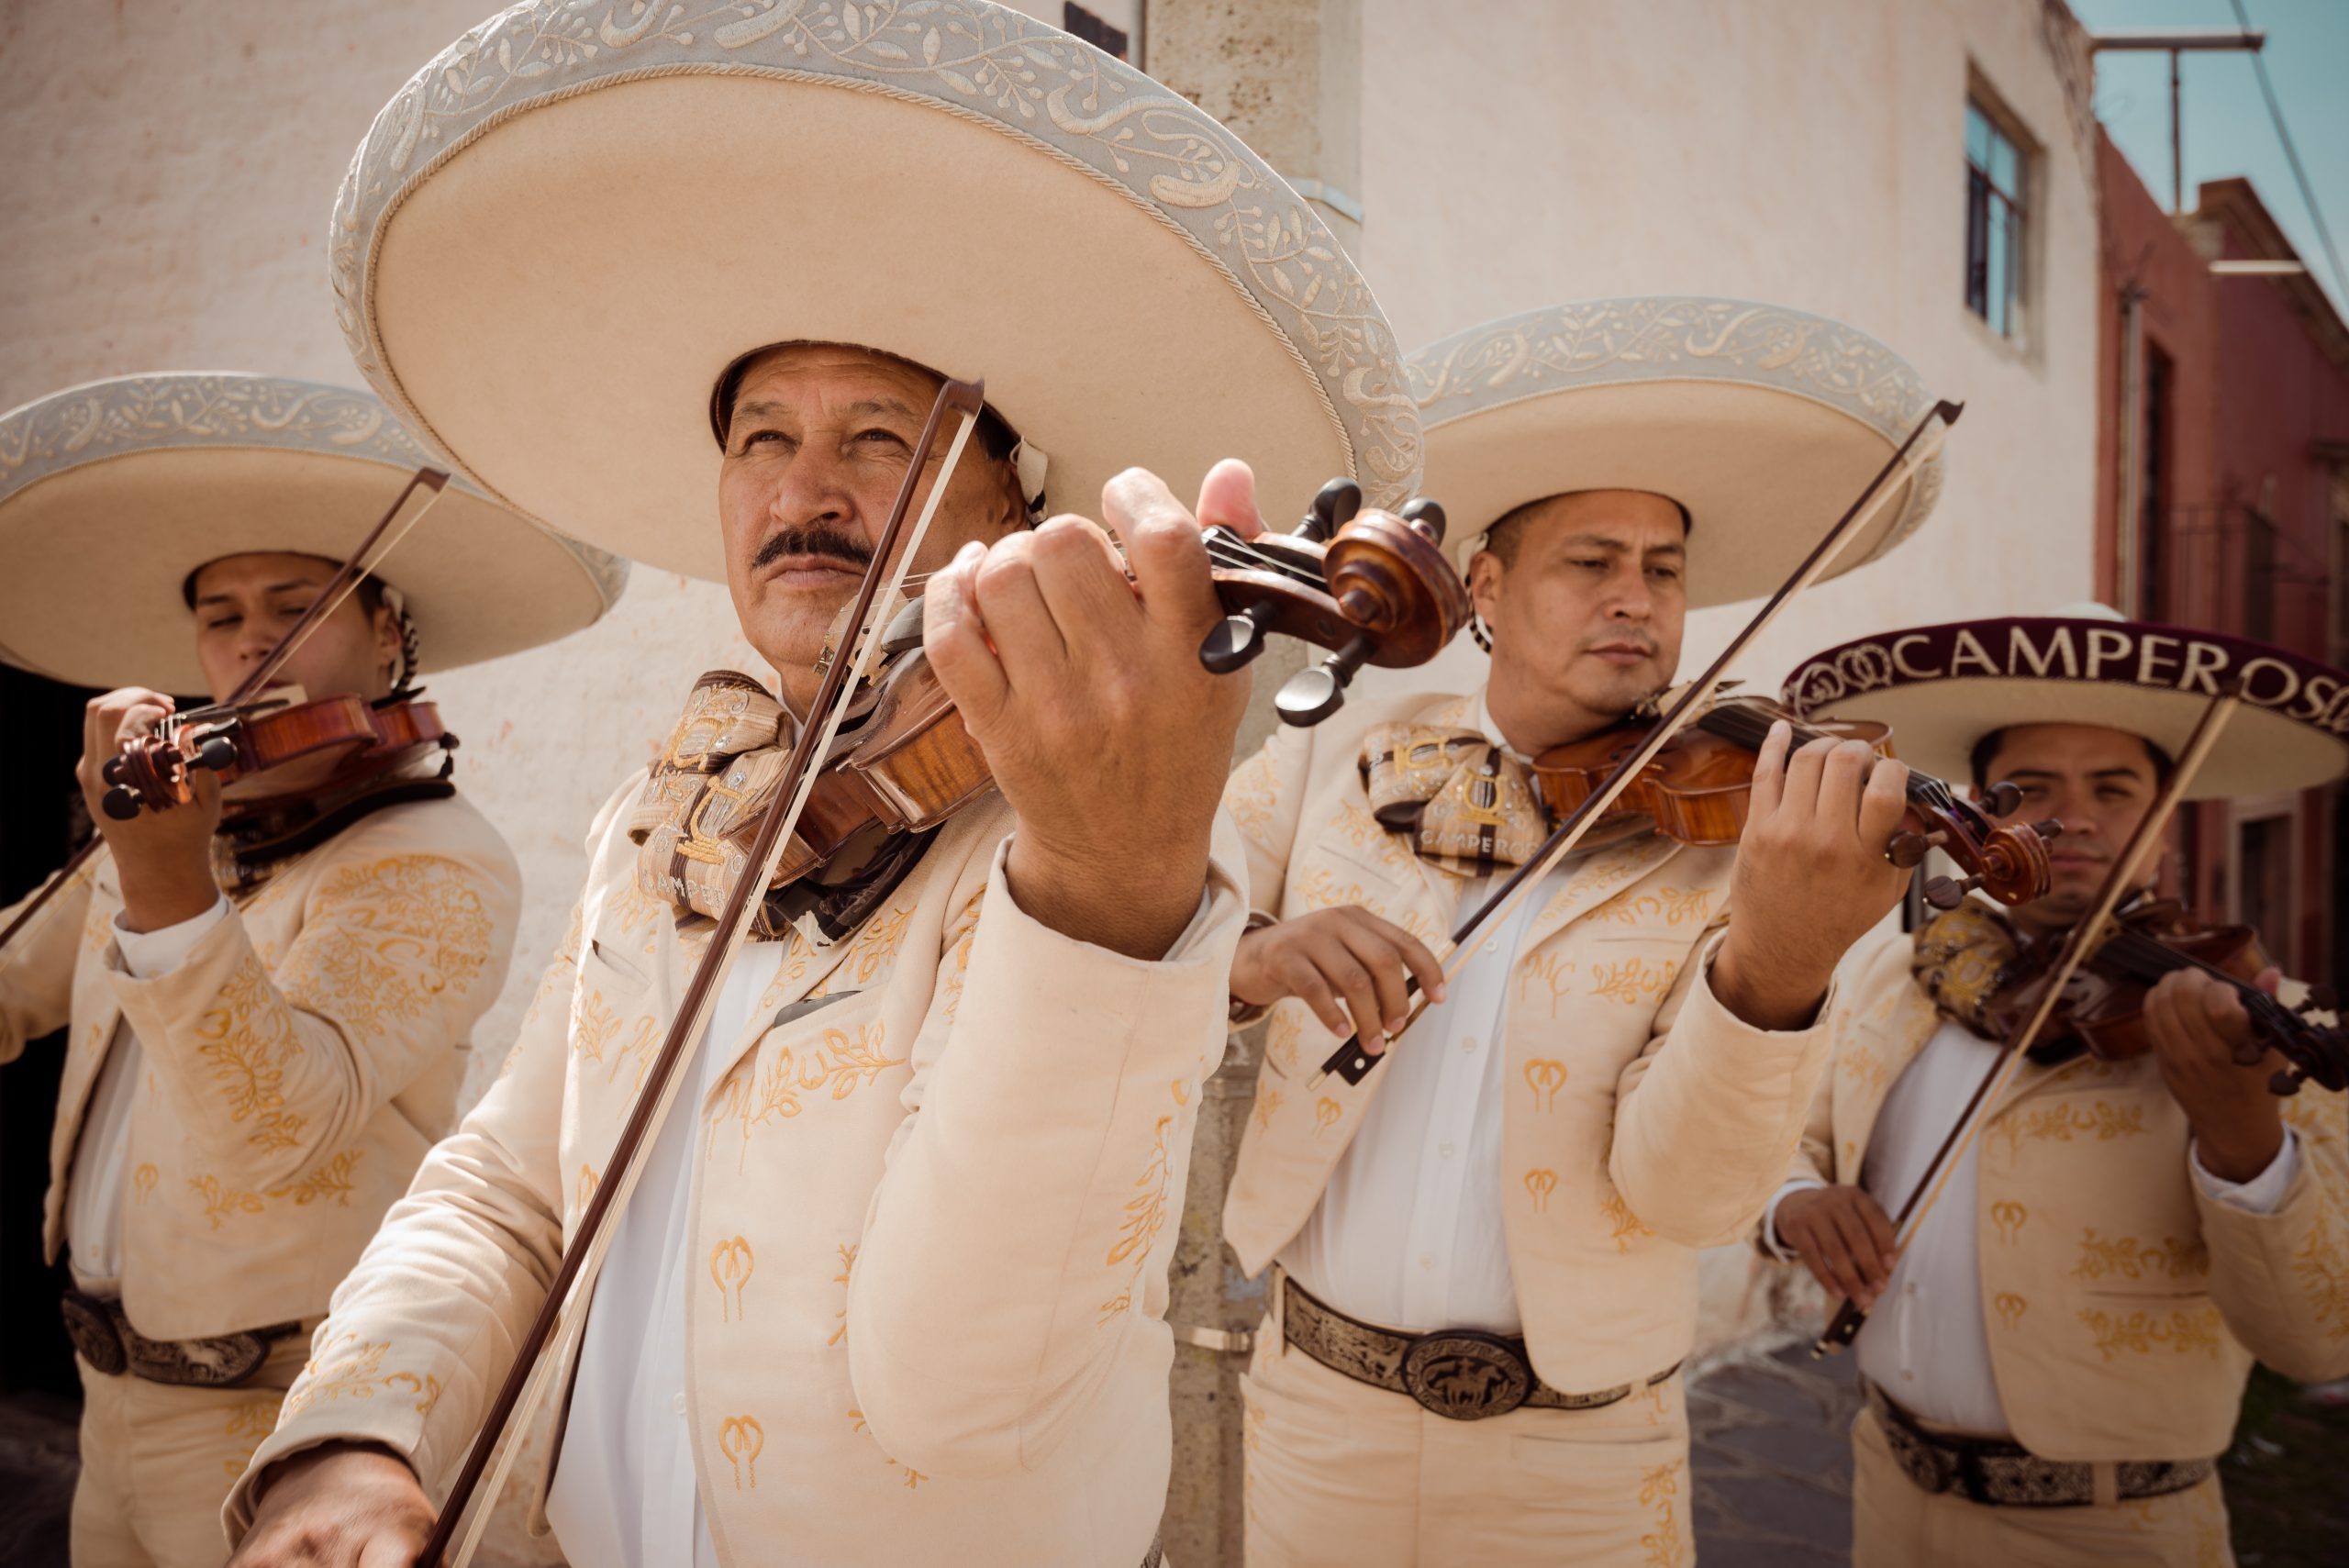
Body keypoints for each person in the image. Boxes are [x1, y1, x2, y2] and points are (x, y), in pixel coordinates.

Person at [222, 6, 1421, 1564]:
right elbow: (516, 1186)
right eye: (763, 439)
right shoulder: (671, 809)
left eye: (880, 437)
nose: (805, 491)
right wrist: (360, 1432)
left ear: (1015, 501)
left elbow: (959, 1392)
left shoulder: (1069, 842)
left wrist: (1112, 886)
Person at [1219, 296, 1950, 1565]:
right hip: (1315, 1406)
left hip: (1580, 1455)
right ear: (1487, 585)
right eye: (1591, 562)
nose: (1636, 599)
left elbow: (1693, 1191)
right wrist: (1255, 960)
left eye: (1663, 571)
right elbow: (1162, 943)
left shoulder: (1738, 839)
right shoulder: (1334, 747)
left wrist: (1778, 965)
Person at [0, 370, 626, 1568]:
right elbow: (17, 987)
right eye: (221, 615)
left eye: (294, 604)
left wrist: (167, 884)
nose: (249, 641)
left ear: (390, 632)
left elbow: (278, 1125)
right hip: (106, 1399)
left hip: (271, 1424)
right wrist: (154, 859)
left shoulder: (433, 857)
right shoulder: (171, 826)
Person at [1766, 605, 2349, 1567]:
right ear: (1981, 816)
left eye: (2112, 788)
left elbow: (2319, 1339)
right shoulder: (1898, 973)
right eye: (2030, 787)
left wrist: (2245, 1142)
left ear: (2165, 819)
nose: (2071, 816)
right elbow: (1792, 1124)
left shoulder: (2246, 1017)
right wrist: (1793, 1199)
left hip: (2109, 1527)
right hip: (1883, 1483)